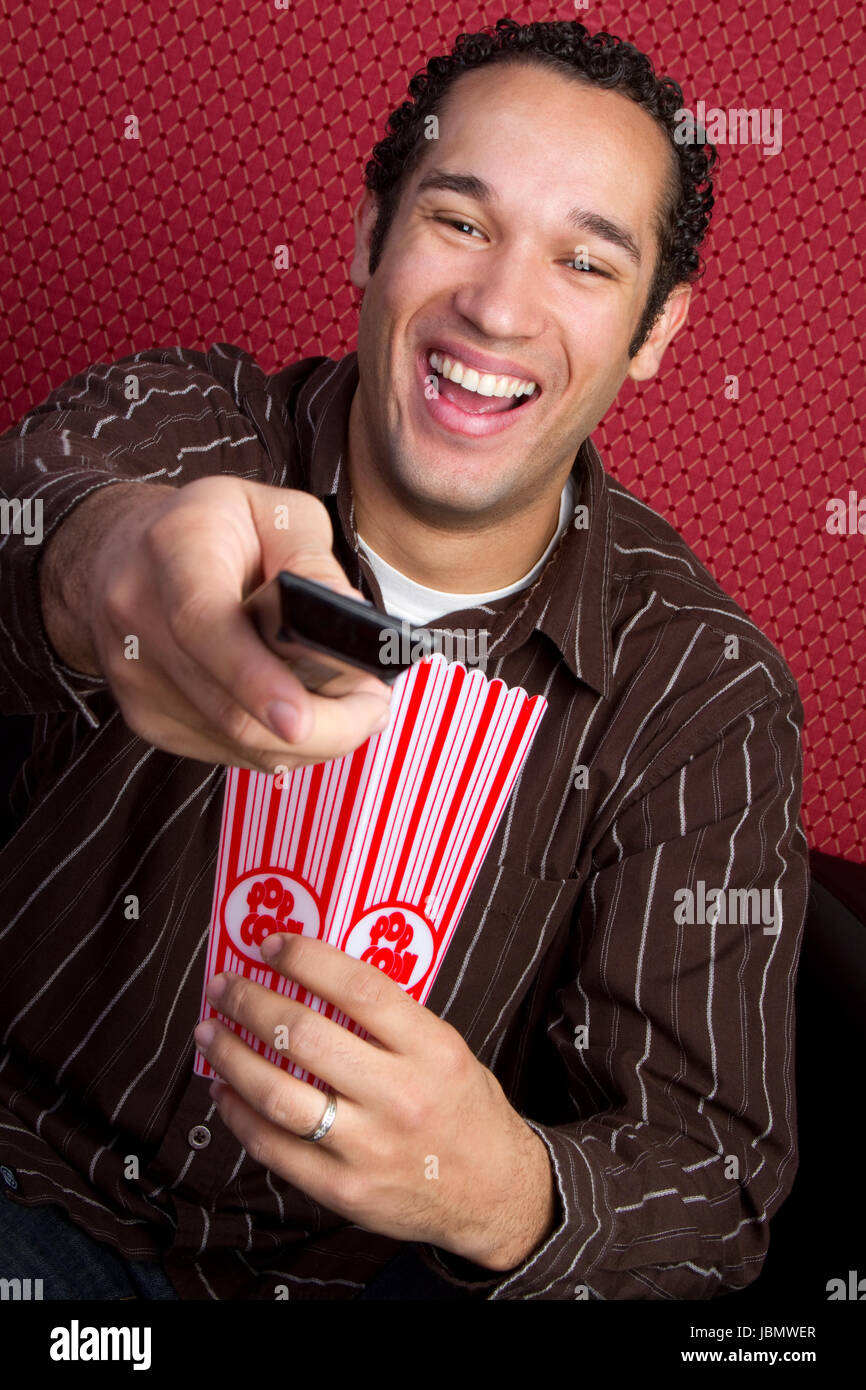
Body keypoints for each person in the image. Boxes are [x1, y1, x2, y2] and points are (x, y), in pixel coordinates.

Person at [0, 17, 807, 1301]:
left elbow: (709, 1181)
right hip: (29, 1189)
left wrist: (501, 1192)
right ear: (370, 235)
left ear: (656, 330)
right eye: (460, 221)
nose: (496, 306)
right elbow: (50, 505)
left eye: (585, 262)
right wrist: (110, 569)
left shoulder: (699, 695)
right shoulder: (187, 420)